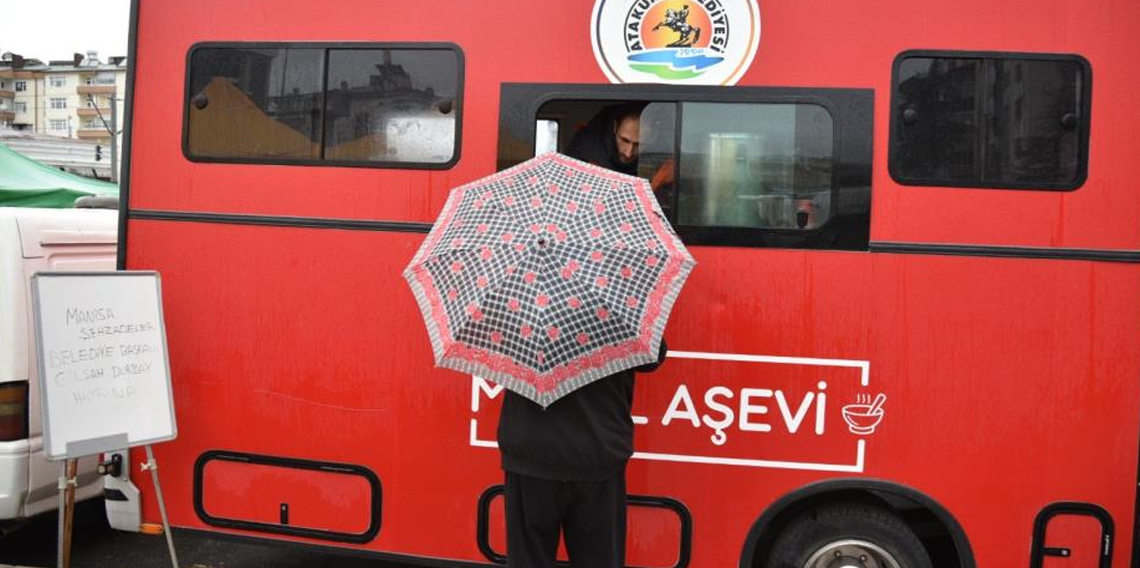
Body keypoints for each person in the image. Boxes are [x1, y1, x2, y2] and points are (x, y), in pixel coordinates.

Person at [497, 341, 668, 568]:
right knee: (599, 560)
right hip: (596, 451)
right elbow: (653, 357)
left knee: (528, 560)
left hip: (532, 452)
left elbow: (495, 355)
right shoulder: (619, 310)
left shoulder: (517, 309)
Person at [564, 103, 644, 176]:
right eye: (624, 140)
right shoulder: (583, 150)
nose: (628, 153)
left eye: (638, 144)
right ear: (615, 127)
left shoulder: (653, 163)